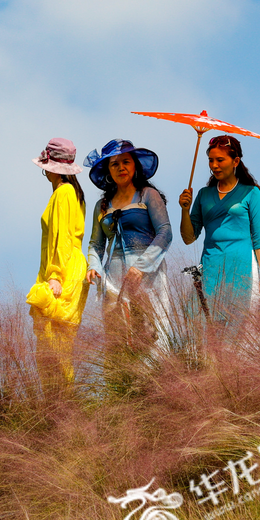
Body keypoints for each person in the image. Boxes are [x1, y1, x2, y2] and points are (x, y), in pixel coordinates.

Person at [83, 139, 173, 354]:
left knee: (151, 330)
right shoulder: (101, 206)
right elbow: (96, 243)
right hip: (113, 275)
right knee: (119, 334)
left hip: (147, 273)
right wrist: (93, 265)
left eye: (126, 162)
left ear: (135, 165)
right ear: (108, 171)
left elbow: (165, 233)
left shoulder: (148, 195)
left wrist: (142, 266)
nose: (121, 167)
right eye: (114, 164)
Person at [178, 134, 260, 325]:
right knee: (199, 320)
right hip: (210, 265)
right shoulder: (204, 194)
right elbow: (189, 237)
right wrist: (185, 210)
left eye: (220, 160)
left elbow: (259, 239)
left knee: (238, 322)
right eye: (211, 160)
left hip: (241, 265)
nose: (214, 165)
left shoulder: (251, 193)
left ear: (235, 161)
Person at [25, 138, 89, 385]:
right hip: (66, 267)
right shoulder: (72, 192)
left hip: (61, 270)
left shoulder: (64, 192)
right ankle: (60, 405)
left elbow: (62, 238)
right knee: (57, 344)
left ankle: (61, 404)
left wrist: (55, 276)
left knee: (54, 345)